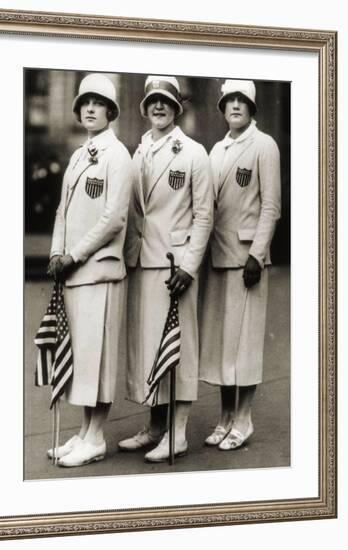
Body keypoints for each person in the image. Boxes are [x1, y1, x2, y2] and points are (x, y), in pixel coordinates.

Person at [120, 75, 213, 462]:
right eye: (152, 101)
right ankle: (156, 426)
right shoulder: (138, 152)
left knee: (179, 348)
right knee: (149, 348)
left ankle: (178, 433)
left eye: (166, 101)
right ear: (145, 108)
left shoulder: (193, 152)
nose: (159, 107)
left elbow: (205, 215)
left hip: (175, 265)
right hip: (143, 261)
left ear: (176, 108)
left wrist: (190, 266)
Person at [46, 73, 132, 467]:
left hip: (98, 269)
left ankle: (97, 436)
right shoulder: (80, 155)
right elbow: (63, 211)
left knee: (97, 356)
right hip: (74, 270)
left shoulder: (118, 155)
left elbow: (114, 218)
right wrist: (55, 252)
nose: (91, 109)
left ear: (111, 112)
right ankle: (83, 432)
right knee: (81, 354)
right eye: (86, 103)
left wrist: (74, 254)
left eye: (99, 103)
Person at [199, 79, 281, 450]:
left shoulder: (264, 145)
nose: (234, 105)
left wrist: (257, 254)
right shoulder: (216, 150)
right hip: (217, 257)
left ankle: (244, 419)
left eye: (241, 100)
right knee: (221, 344)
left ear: (251, 107)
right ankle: (225, 417)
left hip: (246, 259)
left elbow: (271, 206)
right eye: (228, 100)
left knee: (244, 343)